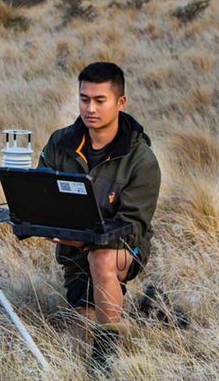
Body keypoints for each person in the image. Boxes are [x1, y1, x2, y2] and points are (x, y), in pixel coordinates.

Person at [37, 62, 161, 372]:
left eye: (99, 100)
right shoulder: (60, 142)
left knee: (102, 259)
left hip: (125, 248)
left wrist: (82, 237)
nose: (90, 108)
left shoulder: (141, 158)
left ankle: (103, 359)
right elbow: (41, 189)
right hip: (74, 252)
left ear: (120, 103)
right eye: (84, 99)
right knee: (84, 323)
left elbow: (132, 226)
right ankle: (153, 315)